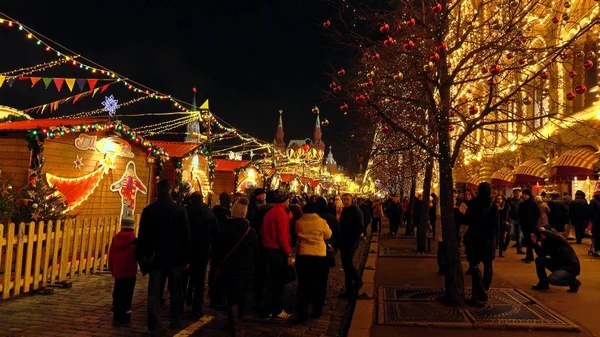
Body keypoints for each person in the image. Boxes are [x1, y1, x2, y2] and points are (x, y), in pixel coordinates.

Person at [138, 179, 191, 334]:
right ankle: (175, 320)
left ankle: (154, 325)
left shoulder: (149, 210)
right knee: (175, 290)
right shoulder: (179, 210)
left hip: (156, 257)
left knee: (154, 293)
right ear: (170, 190)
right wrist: (186, 257)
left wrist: (143, 256)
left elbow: (143, 236)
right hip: (175, 257)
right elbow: (185, 235)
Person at [212, 197, 258, 336]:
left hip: (229, 267)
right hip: (246, 268)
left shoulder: (225, 229)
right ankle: (239, 318)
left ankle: (234, 322)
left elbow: (217, 250)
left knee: (231, 296)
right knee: (242, 294)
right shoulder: (251, 232)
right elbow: (256, 253)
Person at [294, 202, 333, 323]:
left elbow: (296, 234)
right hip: (319, 256)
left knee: (303, 284)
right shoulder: (321, 221)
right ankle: (317, 310)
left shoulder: (299, 222)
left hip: (303, 255)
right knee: (319, 284)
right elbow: (328, 235)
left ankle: (303, 312)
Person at [464, 182, 499, 307]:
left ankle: (477, 294)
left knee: (474, 266)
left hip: (474, 239)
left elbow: (467, 220)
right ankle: (484, 289)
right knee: (488, 265)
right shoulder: (493, 206)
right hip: (488, 240)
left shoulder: (473, 204)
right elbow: (496, 225)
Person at [185, 191, 219, 318]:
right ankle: (197, 308)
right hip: (202, 250)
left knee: (183, 278)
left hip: (187, 250)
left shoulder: (185, 211)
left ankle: (183, 301)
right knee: (199, 280)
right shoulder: (209, 213)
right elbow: (215, 232)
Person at [260, 190, 293, 319]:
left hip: (267, 249)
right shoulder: (281, 214)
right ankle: (277, 309)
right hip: (276, 251)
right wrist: (288, 253)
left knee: (269, 282)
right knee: (278, 283)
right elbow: (283, 236)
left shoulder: (270, 212)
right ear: (285, 201)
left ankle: (267, 309)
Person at [531, 226, 581, 293]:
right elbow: (541, 254)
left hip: (569, 268)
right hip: (558, 264)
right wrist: (535, 243)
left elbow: (554, 237)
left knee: (552, 280)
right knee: (539, 260)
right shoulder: (546, 241)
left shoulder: (558, 239)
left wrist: (544, 231)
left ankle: (573, 282)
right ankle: (543, 284)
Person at [108, 217, 138, 324]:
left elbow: (111, 254)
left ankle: (117, 313)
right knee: (128, 293)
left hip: (118, 271)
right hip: (129, 271)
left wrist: (111, 267)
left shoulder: (116, 238)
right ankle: (126, 314)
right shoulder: (134, 240)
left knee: (118, 291)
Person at [339, 193, 365, 298]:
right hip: (344, 241)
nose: (345, 201)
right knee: (345, 265)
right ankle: (349, 289)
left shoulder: (356, 211)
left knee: (347, 263)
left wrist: (353, 238)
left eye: (347, 200)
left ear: (351, 200)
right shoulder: (345, 210)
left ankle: (357, 279)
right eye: (344, 199)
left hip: (351, 241)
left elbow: (360, 227)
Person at [210, 192, 233, 308]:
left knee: (213, 270)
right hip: (224, 246)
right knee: (222, 272)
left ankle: (212, 295)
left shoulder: (213, 212)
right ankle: (218, 298)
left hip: (214, 245)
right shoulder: (228, 214)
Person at [517, 189, 541, 263]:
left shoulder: (534, 203)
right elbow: (519, 213)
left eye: (525, 194)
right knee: (527, 241)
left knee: (531, 241)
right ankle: (529, 256)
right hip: (524, 225)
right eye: (523, 194)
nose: (524, 196)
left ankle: (530, 256)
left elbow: (538, 214)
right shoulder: (522, 204)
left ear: (529, 195)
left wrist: (532, 220)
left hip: (532, 225)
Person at [507, 188, 523, 254]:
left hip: (520, 219)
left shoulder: (522, 201)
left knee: (519, 234)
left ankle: (519, 249)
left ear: (520, 193)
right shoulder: (510, 201)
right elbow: (508, 210)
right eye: (516, 192)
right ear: (513, 193)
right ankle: (505, 244)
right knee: (510, 233)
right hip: (512, 219)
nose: (517, 193)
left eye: (519, 192)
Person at [589, 190, 600, 256]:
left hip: (597, 221)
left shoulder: (593, 201)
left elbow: (591, 211)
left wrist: (591, 219)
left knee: (596, 235)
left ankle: (596, 249)